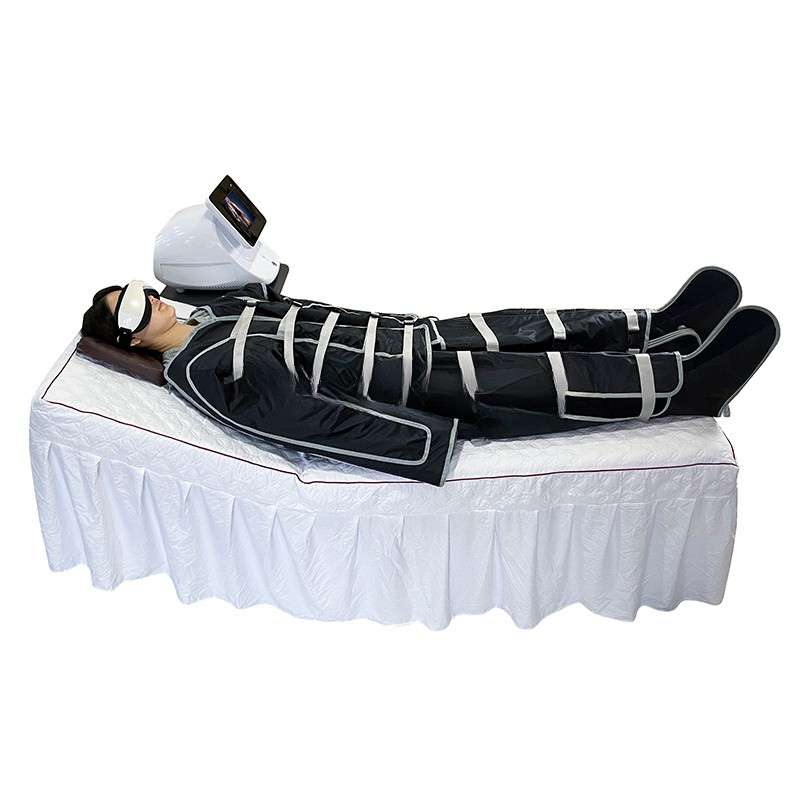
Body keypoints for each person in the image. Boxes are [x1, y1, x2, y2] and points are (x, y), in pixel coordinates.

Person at [82, 268, 779, 485]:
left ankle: (657, 329)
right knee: (547, 377)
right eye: (135, 309)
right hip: (411, 385)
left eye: (142, 290)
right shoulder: (204, 370)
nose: (154, 302)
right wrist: (426, 442)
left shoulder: (216, 313)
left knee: (528, 323)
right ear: (131, 338)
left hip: (408, 338)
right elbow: (303, 420)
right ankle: (688, 385)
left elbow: (306, 308)